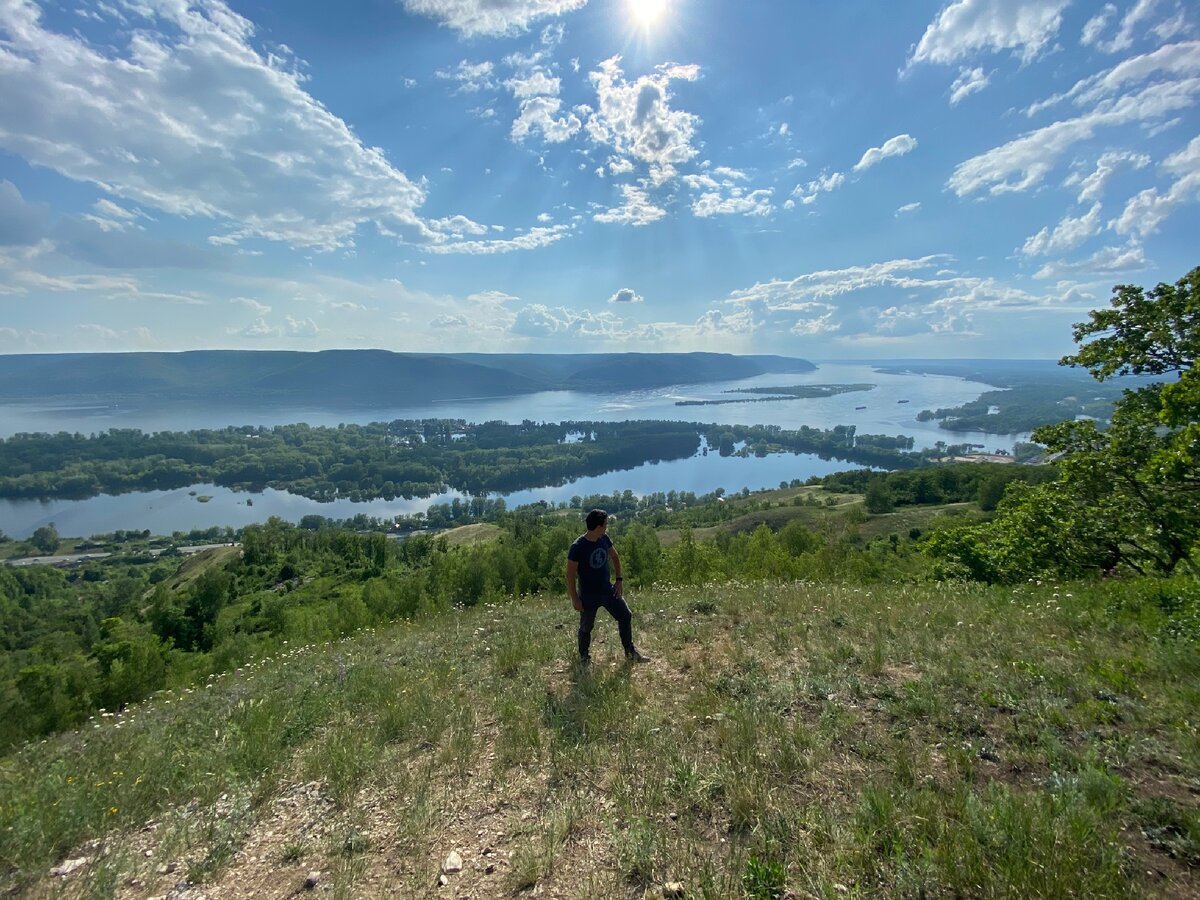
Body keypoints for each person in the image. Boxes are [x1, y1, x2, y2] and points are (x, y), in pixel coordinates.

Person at [566, 508, 648, 665]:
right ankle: (584, 658)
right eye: (605, 525)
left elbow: (615, 557)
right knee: (586, 627)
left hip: (607, 590)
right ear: (598, 527)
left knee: (625, 615)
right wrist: (575, 599)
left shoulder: (604, 539)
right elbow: (570, 575)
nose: (607, 528)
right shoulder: (577, 547)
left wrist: (619, 580)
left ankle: (630, 653)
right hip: (588, 595)